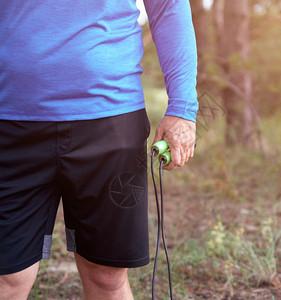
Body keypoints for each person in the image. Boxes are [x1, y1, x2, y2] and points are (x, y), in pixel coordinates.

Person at [0, 0, 198, 299]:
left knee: (106, 275)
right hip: (10, 122)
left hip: (110, 123)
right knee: (6, 277)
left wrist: (182, 107)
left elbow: (169, 7)